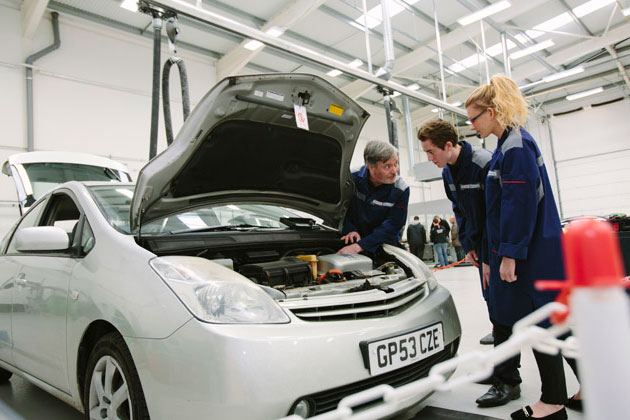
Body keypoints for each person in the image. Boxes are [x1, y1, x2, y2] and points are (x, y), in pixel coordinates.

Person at [466, 74, 567, 420]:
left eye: (474, 118)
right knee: (550, 322)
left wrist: (509, 254)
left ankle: (552, 403)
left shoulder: (515, 147)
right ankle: (575, 392)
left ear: (492, 112)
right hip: (531, 249)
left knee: (538, 324)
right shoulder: (509, 144)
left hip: (530, 254)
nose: (471, 126)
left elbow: (518, 204)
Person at [418, 117, 494, 347]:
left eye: (431, 152)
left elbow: (495, 215)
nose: (429, 159)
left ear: (448, 145)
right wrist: (469, 245)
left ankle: (507, 348)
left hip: (496, 242)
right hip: (479, 245)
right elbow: (459, 211)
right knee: (490, 295)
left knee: (506, 300)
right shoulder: (447, 173)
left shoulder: (483, 163)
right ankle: (499, 333)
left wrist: (490, 256)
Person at [338, 140, 410, 255]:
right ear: (371, 168)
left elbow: (393, 226)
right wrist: (350, 230)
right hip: (353, 240)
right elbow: (341, 210)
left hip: (384, 244)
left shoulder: (401, 189)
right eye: (387, 166)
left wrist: (360, 246)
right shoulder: (351, 178)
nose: (394, 171)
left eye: (396, 164)